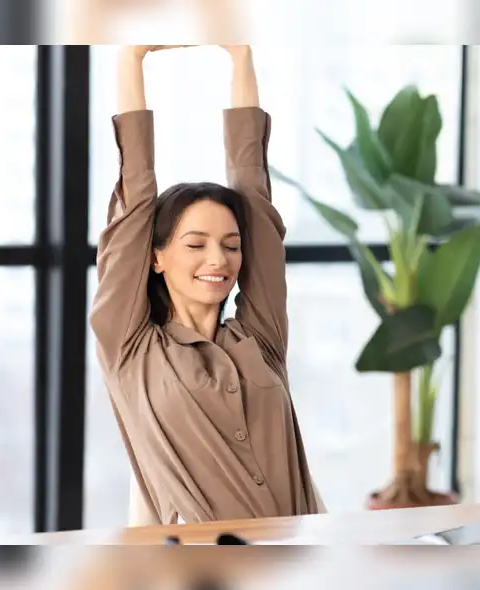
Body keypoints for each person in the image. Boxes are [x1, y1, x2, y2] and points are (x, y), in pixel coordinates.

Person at [90, 44, 324, 525]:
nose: (218, 259)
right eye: (195, 244)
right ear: (156, 257)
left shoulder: (260, 339)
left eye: (231, 245)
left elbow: (253, 194)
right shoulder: (131, 349)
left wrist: (240, 55)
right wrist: (131, 58)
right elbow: (135, 199)